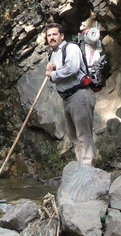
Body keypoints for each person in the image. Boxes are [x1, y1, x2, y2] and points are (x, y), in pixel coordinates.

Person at [44, 22, 96, 166]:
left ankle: (88, 171)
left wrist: (53, 74)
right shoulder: (53, 54)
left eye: (54, 34)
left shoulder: (71, 48)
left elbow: (72, 69)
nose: (52, 38)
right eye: (49, 35)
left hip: (79, 95)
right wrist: (51, 68)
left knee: (83, 135)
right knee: (73, 137)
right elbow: (58, 75)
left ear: (62, 36)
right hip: (67, 99)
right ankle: (82, 168)